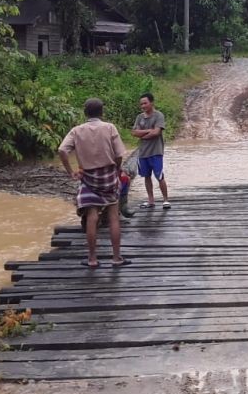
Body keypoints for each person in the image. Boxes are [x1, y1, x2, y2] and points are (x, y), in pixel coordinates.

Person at [58, 98, 130, 269]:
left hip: (88, 178)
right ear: (102, 112)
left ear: (85, 113)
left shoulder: (76, 131)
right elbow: (119, 155)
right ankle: (116, 258)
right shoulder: (109, 127)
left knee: (92, 217)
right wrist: (117, 169)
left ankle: (92, 259)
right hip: (108, 177)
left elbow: (62, 150)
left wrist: (71, 172)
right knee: (113, 217)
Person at [132, 92, 170, 209]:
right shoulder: (139, 117)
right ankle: (151, 200)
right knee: (146, 176)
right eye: (141, 104)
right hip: (143, 152)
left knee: (159, 175)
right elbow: (134, 132)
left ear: (151, 103)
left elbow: (157, 132)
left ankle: (165, 200)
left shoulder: (159, 116)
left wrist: (142, 134)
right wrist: (149, 131)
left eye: (145, 103)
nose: (143, 106)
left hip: (156, 151)